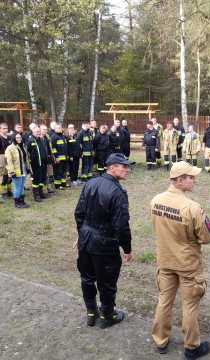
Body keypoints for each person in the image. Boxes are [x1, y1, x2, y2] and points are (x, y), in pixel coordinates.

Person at [151, 161, 210, 359]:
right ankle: (192, 347)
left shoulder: (155, 200)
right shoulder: (192, 207)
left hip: (165, 259)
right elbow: (206, 237)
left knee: (164, 301)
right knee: (190, 305)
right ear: (179, 180)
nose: (194, 180)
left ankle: (160, 340)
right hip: (187, 264)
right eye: (190, 177)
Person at [75, 153, 133, 329]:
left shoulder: (91, 183)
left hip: (87, 240)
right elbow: (121, 226)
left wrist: (82, 234)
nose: (127, 169)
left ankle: (92, 312)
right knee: (106, 282)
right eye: (123, 166)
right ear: (112, 167)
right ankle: (107, 315)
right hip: (104, 244)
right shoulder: (117, 192)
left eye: (127, 166)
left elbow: (79, 213)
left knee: (87, 278)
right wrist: (127, 249)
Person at [5, 132, 30, 208]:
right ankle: (17, 202)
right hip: (16, 170)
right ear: (13, 138)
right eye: (17, 138)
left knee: (22, 186)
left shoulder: (23, 146)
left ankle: (22, 201)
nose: (19, 139)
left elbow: (26, 159)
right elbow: (8, 161)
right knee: (17, 187)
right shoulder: (10, 148)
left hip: (23, 169)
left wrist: (28, 168)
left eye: (20, 137)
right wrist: (12, 172)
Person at [27, 126, 48, 202]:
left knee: (42, 178)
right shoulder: (30, 141)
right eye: (37, 132)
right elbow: (27, 152)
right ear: (33, 132)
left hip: (43, 163)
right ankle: (36, 195)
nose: (38, 133)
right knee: (36, 180)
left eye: (39, 131)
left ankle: (41, 192)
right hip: (35, 164)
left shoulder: (41, 139)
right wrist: (30, 163)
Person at [51, 124, 69, 189]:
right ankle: (58, 185)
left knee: (64, 171)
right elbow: (53, 148)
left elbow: (65, 147)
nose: (60, 129)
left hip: (64, 158)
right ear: (55, 129)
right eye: (58, 128)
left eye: (60, 128)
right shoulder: (53, 137)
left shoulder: (63, 137)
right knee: (58, 171)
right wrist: (56, 157)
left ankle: (63, 183)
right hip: (58, 158)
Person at [40, 124, 56, 194]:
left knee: (50, 174)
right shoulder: (38, 138)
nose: (45, 131)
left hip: (48, 158)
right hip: (42, 159)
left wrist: (52, 156)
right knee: (44, 175)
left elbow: (50, 147)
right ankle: (44, 190)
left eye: (46, 129)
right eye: (43, 129)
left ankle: (49, 187)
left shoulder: (47, 137)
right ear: (40, 130)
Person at [0, 122, 12, 198]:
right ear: (0, 129)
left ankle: (9, 190)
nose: (6, 130)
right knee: (3, 175)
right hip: (1, 157)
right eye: (4, 128)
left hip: (10, 157)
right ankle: (3, 192)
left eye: (6, 128)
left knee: (10, 174)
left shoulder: (9, 137)